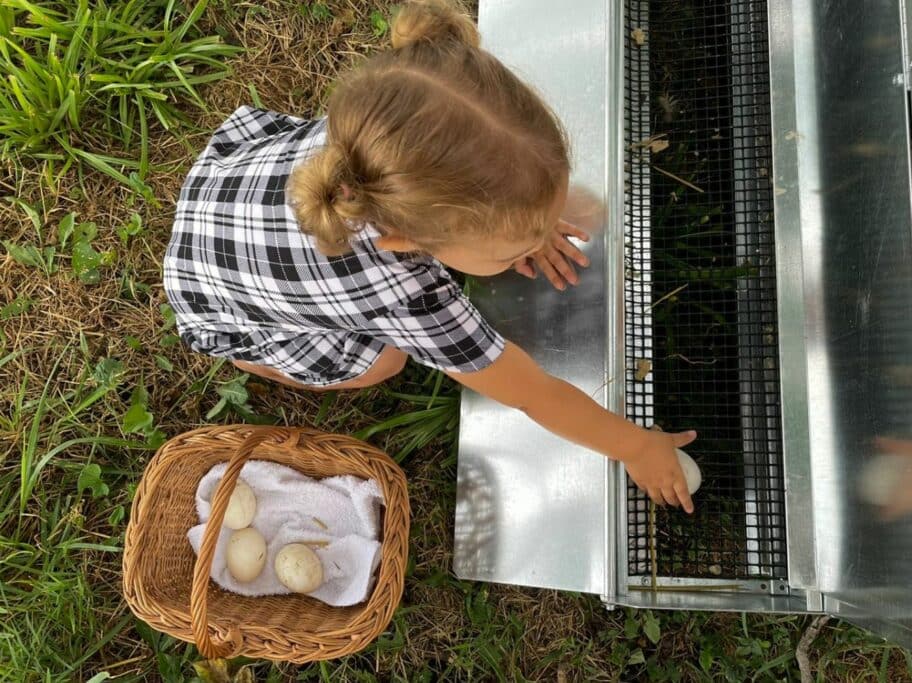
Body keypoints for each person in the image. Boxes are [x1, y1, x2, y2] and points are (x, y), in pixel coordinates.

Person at [163, 0, 697, 510]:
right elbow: (534, 394)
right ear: (408, 242)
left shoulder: (376, 139)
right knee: (383, 360)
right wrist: (636, 447)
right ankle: (251, 354)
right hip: (222, 305)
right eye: (518, 246)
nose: (536, 245)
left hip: (226, 196)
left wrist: (519, 224)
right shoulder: (408, 298)